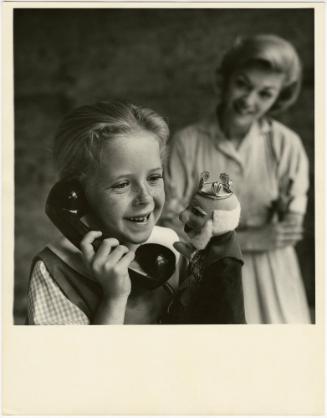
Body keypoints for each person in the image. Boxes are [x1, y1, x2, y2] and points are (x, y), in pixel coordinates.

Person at [161, 34, 311, 323]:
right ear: (224, 79)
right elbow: (171, 225)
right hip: (212, 272)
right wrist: (253, 238)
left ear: (279, 96)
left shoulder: (285, 144)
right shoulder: (187, 143)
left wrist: (219, 233)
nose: (249, 100)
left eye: (265, 93)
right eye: (242, 84)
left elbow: (287, 231)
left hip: (273, 275)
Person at [26, 100, 180, 325]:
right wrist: (114, 299)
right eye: (122, 185)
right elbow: (70, 361)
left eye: (154, 178)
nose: (146, 198)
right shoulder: (54, 271)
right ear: (77, 193)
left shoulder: (173, 248)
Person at [164, 172, 246, 324]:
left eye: (196, 213)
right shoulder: (209, 245)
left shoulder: (226, 266)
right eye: (188, 207)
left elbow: (230, 318)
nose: (183, 216)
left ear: (218, 221)